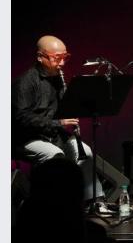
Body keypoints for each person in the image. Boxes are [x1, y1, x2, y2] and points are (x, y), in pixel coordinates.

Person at [12, 35, 103, 202]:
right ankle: (50, 203)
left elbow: (63, 110)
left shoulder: (58, 80)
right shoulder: (25, 82)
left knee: (87, 153)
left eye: (65, 57)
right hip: (28, 138)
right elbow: (21, 118)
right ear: (40, 57)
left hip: (54, 135)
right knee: (55, 155)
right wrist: (58, 123)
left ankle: (93, 201)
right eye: (57, 58)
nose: (62, 63)